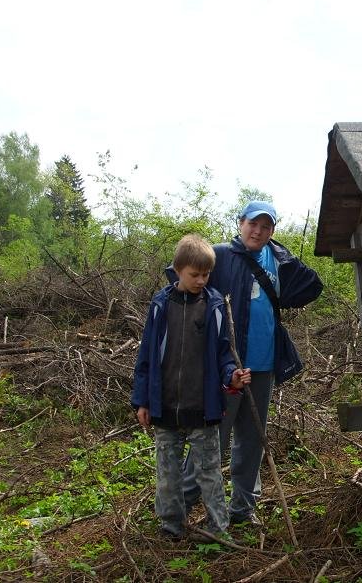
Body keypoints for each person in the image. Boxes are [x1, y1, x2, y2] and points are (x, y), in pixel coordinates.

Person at [174, 200, 323, 526]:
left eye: (266, 226)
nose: (258, 231)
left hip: (263, 367)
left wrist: (284, 253)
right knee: (210, 441)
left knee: (251, 441)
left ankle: (242, 510)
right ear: (240, 223)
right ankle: (179, 509)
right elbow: (181, 284)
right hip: (226, 369)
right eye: (253, 224)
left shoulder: (279, 261)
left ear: (272, 230)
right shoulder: (220, 256)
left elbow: (313, 286)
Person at [132, 234, 251, 540]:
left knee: (209, 473)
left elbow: (223, 354)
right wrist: (142, 401)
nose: (201, 280)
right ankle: (171, 527)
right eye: (194, 274)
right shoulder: (160, 305)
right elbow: (146, 356)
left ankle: (218, 528)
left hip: (204, 408)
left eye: (206, 274)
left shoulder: (213, 305)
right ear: (178, 270)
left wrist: (232, 377)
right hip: (165, 406)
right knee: (168, 475)